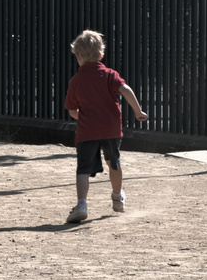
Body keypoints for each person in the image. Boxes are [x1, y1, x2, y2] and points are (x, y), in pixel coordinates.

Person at [63, 29, 147, 223]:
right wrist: (138, 111)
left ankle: (82, 204)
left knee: (83, 169)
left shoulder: (76, 81)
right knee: (114, 163)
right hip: (110, 129)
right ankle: (117, 197)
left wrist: (84, 119)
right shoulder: (110, 75)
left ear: (77, 55)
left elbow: (72, 111)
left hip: (86, 132)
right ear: (101, 54)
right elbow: (125, 89)